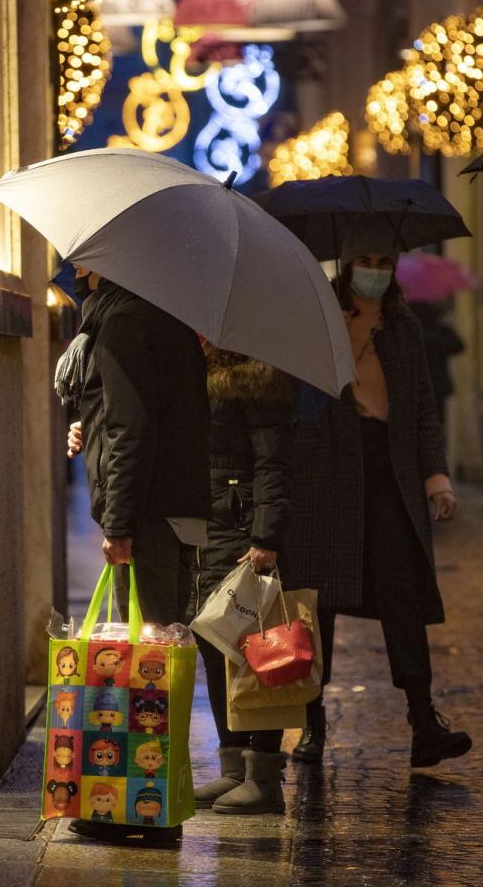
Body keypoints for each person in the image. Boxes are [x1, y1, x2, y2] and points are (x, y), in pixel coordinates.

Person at [291, 228, 472, 770]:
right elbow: (299, 400)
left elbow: (421, 410)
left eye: (383, 261)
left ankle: (424, 722)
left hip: (389, 470)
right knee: (318, 600)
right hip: (327, 470)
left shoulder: (403, 326)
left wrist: (436, 478)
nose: (375, 270)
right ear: (348, 266)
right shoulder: (318, 319)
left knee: (401, 593)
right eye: (365, 260)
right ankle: (312, 725)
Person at [59, 266, 211, 628]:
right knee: (164, 642)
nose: (76, 265)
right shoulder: (164, 317)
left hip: (148, 517)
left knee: (149, 649)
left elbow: (132, 431)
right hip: (171, 509)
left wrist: (118, 526)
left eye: (83, 259)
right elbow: (158, 413)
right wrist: (93, 427)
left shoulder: (123, 324)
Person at [192, 346, 298, 815]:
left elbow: (274, 462)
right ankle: (233, 766)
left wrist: (265, 536)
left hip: (243, 529)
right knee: (214, 641)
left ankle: (264, 776)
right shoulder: (191, 369)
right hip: (208, 525)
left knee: (259, 651)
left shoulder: (258, 376)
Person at [409, 300, 464, 425]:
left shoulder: (412, 332)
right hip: (432, 386)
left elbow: (458, 346)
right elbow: (457, 346)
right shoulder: (438, 331)